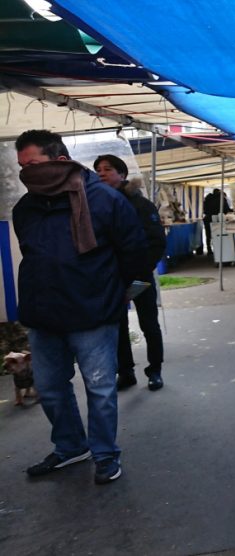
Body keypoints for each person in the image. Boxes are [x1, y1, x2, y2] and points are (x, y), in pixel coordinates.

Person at [12, 130, 146, 484]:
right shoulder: (25, 207)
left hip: (93, 314)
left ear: (60, 161)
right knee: (51, 388)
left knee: (100, 389)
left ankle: (105, 454)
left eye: (33, 164)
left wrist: (124, 300)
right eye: (22, 167)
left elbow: (137, 257)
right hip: (43, 315)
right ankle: (71, 446)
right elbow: (35, 257)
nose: (26, 172)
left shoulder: (105, 200)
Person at [94, 155, 167, 392]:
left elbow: (156, 243)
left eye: (108, 169)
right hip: (112, 279)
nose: (101, 173)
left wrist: (138, 275)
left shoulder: (141, 205)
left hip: (139, 277)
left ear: (122, 174)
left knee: (149, 325)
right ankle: (125, 372)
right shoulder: (96, 204)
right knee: (117, 327)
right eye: (98, 170)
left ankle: (154, 370)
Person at [202, 188, 231, 255]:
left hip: (207, 218)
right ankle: (218, 249)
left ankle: (209, 249)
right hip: (218, 219)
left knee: (208, 234)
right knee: (218, 234)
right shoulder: (221, 199)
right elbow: (226, 209)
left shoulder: (207, 199)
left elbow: (204, 210)